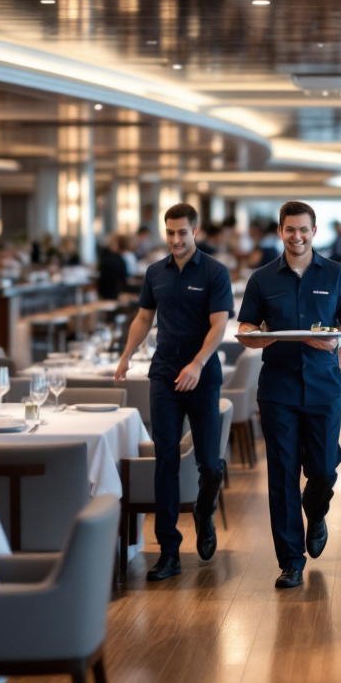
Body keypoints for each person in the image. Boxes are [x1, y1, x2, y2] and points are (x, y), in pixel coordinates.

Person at [238, 201, 341, 589]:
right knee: (283, 475)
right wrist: (271, 335)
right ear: (280, 231)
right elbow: (245, 330)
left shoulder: (338, 274)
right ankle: (291, 561)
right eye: (290, 229)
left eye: (303, 229)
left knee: (324, 470)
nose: (297, 236)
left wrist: (336, 341)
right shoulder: (261, 279)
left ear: (314, 230)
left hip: (325, 386)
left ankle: (317, 511)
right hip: (278, 390)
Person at [115, 203, 233, 581]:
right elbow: (144, 318)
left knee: (210, 464)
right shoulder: (154, 272)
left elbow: (219, 326)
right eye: (170, 233)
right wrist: (126, 355)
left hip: (202, 375)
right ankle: (169, 551)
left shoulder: (215, 272)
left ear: (195, 232)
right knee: (165, 459)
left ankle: (204, 510)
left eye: (183, 232)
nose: (176, 240)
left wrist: (197, 364)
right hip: (164, 375)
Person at [96, 234, 129, 300]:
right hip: (115, 293)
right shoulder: (119, 259)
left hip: (107, 293)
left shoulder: (108, 258)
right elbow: (123, 278)